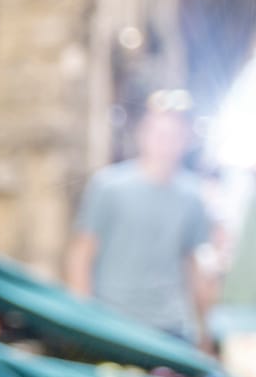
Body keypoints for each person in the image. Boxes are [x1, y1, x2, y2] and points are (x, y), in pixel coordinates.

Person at [65, 90, 219, 354]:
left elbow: (193, 264)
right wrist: (83, 317)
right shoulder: (108, 186)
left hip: (170, 326)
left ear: (185, 140)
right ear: (143, 134)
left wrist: (204, 329)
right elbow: (81, 253)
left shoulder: (193, 196)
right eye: (160, 133)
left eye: (174, 135)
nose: (166, 142)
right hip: (113, 319)